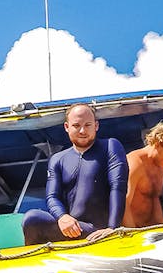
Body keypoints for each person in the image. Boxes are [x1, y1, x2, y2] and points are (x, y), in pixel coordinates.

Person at [20, 104, 128, 245]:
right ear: (67, 127)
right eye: (76, 125)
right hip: (71, 228)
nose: (82, 130)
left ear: (96, 126)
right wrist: (62, 217)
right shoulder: (57, 159)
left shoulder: (110, 147)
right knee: (32, 218)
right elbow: (52, 196)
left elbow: (118, 187)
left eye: (88, 125)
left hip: (97, 231)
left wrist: (112, 227)